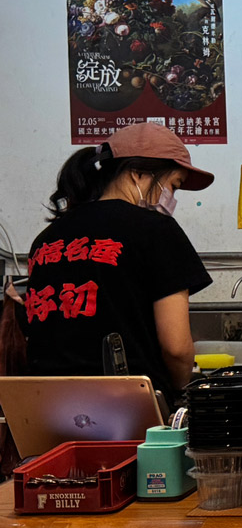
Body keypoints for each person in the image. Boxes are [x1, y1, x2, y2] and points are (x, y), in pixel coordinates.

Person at [22, 124, 214, 399]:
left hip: (46, 403)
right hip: (126, 404)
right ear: (138, 173)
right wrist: (179, 390)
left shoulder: (46, 239)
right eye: (174, 185)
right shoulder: (156, 230)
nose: (172, 197)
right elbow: (176, 348)